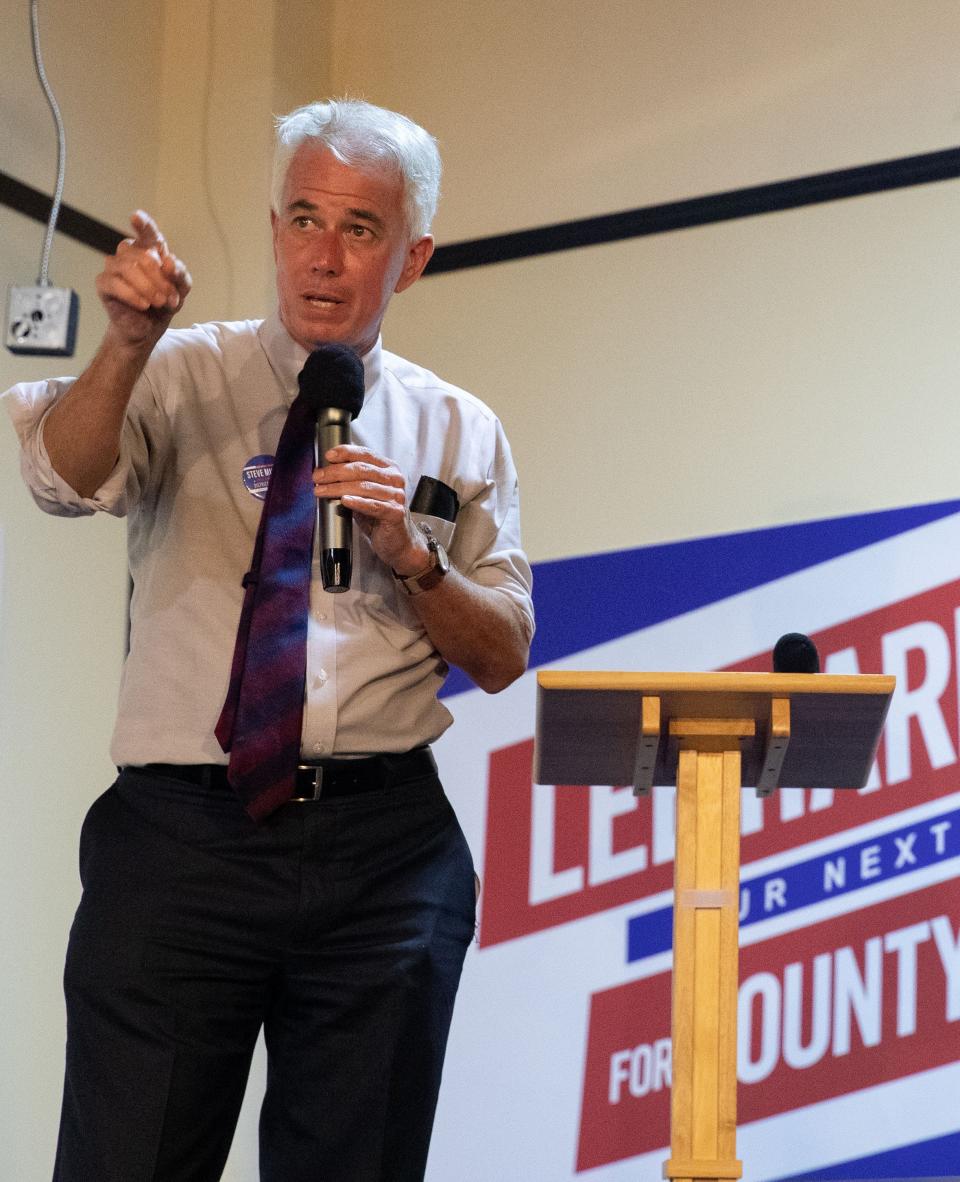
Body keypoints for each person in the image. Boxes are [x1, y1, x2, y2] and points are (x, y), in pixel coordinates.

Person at [6, 99, 534, 1182]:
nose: (323, 258)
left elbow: (502, 650)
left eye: (359, 228)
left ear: (413, 256)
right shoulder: (181, 371)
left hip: (384, 852)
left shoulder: (458, 427)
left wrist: (412, 553)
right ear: (275, 224)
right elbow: (60, 476)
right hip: (182, 840)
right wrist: (123, 343)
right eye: (302, 218)